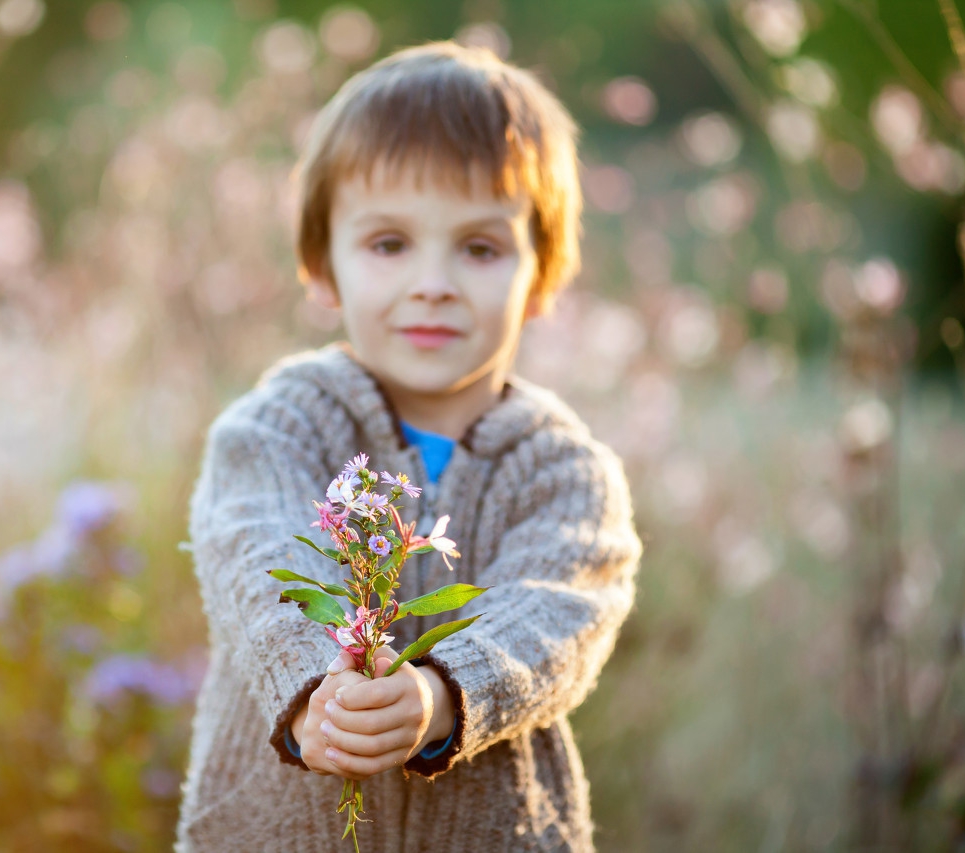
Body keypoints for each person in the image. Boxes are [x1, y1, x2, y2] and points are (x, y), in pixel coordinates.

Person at [174, 40, 643, 852]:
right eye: (390, 243)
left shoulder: (568, 471)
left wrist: (439, 694)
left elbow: (556, 609)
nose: (434, 281)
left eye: (480, 247)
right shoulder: (275, 427)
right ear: (323, 268)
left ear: (541, 277)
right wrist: (321, 684)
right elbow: (256, 550)